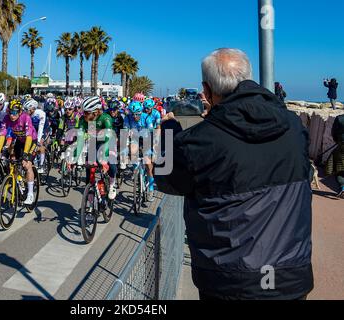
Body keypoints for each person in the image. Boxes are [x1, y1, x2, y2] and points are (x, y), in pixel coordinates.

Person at [156, 48, 313, 300]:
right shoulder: (294, 126)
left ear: (206, 91)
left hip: (230, 282)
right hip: (289, 276)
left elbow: (166, 179)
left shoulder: (199, 141)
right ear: (249, 78)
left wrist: (169, 135)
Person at [0, 99, 37, 205]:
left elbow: (28, 137)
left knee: (26, 164)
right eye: (10, 112)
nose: (11, 115)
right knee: (13, 161)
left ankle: (30, 194)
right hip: (19, 140)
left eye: (14, 112)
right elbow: (2, 135)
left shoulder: (26, 117)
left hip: (31, 141)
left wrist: (26, 154)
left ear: (20, 112)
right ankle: (19, 181)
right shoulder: (6, 118)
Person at [77, 96, 117, 200]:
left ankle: (112, 184)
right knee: (89, 167)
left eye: (86, 113)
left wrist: (104, 160)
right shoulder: (84, 120)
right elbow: (80, 139)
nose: (84, 115)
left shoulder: (106, 118)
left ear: (95, 112)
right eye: (83, 112)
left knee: (111, 163)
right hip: (94, 142)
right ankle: (90, 194)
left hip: (108, 142)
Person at [326, 114, 344, 198]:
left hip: (341, 146)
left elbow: (334, 132)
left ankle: (343, 187)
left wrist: (338, 141)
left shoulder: (340, 118)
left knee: (338, 168)